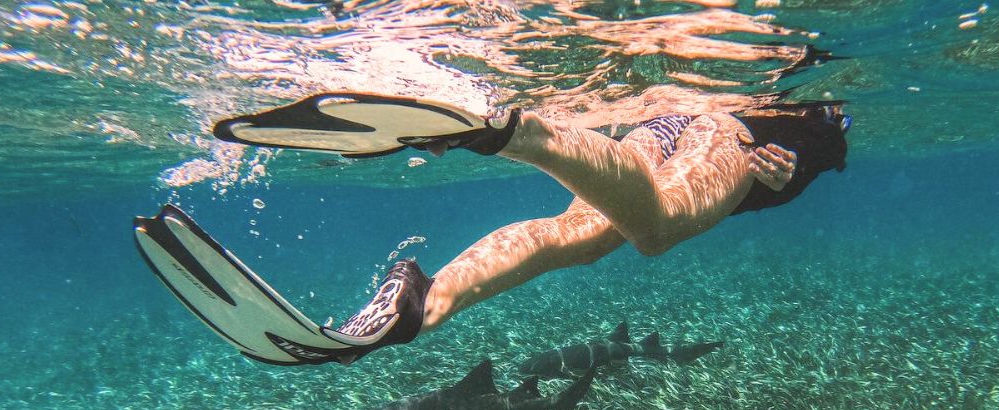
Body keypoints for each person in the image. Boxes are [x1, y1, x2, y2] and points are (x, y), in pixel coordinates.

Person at [328, 105, 850, 359]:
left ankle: (420, 304)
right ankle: (512, 133)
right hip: (723, 131)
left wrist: (789, 164)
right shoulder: (828, 133)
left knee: (581, 236)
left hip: (656, 126)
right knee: (657, 230)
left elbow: (799, 144)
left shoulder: (818, 126)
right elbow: (802, 141)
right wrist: (788, 165)